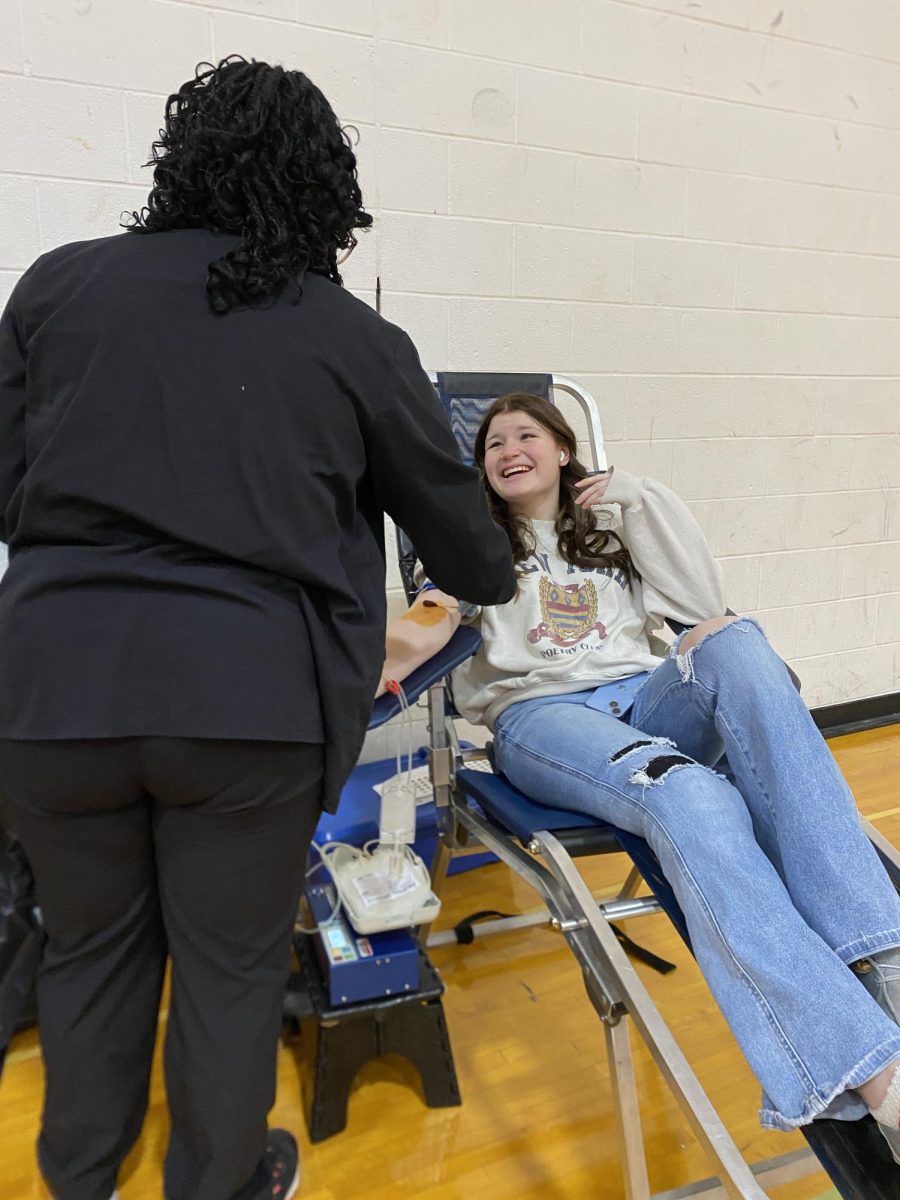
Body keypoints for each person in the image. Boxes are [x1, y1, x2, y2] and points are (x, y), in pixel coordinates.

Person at [0, 57, 515, 1200]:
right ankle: (220, 1184)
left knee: (89, 953)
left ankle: (77, 1184)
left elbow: (6, 491)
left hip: (51, 695)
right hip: (248, 706)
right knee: (229, 972)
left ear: (179, 163)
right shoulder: (350, 337)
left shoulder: (53, 288)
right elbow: (473, 554)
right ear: (323, 188)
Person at [438, 390, 900, 1160]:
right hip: (543, 719)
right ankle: (869, 1070)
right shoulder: (472, 540)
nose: (509, 448)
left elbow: (699, 608)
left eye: (527, 434)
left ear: (563, 450)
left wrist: (640, 500)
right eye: (492, 444)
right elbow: (428, 622)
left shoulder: (615, 527)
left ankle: (881, 953)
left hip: (641, 697)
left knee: (739, 643)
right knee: (691, 791)